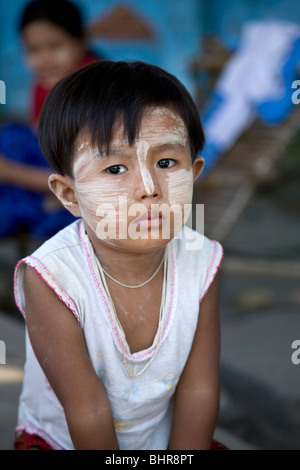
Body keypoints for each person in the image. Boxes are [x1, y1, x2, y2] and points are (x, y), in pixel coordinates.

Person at [14, 60, 225, 450]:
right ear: (69, 195)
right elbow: (87, 410)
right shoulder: (52, 277)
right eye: (114, 168)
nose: (149, 188)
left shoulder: (202, 261)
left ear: (194, 172)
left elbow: (200, 389)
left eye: (166, 162)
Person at [0, 0, 99, 238]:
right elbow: (41, 145)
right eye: (33, 50)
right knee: (11, 135)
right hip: (50, 182)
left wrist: (11, 172)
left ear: (80, 42)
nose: (44, 59)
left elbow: (89, 180)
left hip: (88, 191)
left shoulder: (97, 90)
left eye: (55, 46)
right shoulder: (42, 87)